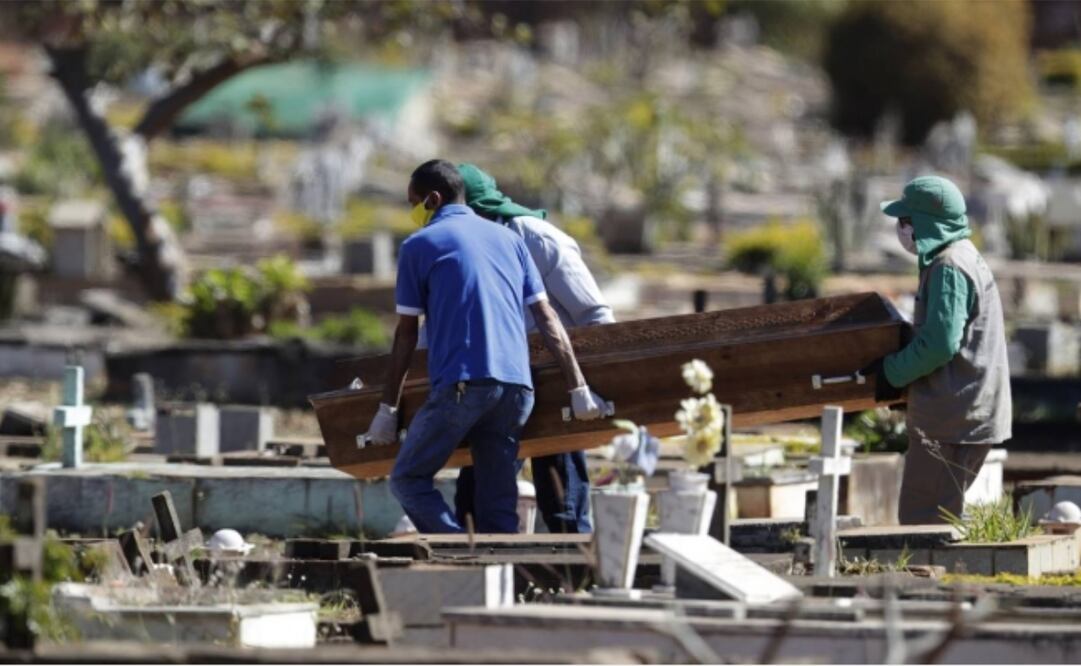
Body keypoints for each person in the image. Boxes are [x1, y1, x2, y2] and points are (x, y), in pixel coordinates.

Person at [364, 159, 608, 533]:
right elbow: (546, 318)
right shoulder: (509, 241)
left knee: (408, 480)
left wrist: (387, 408)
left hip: (467, 386)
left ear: (433, 199)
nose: (412, 212)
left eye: (413, 203)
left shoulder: (423, 244)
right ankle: (497, 574)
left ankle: (461, 550)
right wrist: (579, 388)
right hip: (517, 389)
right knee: (491, 504)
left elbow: (408, 335)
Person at [452, 163, 614, 534]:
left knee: (562, 501)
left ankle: (574, 580)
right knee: (476, 501)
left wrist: (589, 385)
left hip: (559, 378)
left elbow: (595, 316)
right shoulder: (456, 248)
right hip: (495, 382)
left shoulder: (538, 239)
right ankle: (484, 576)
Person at [873, 175, 1011, 525]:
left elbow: (939, 343)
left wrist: (891, 371)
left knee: (924, 523)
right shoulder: (964, 256)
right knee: (943, 518)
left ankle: (930, 583)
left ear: (925, 223)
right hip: (965, 413)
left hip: (951, 419)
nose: (901, 229)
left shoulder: (948, 266)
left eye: (905, 221)